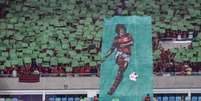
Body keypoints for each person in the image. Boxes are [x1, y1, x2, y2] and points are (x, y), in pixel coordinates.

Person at [103, 24, 134, 95]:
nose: (122, 31)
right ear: (118, 31)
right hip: (120, 54)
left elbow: (132, 42)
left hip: (127, 55)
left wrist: (124, 45)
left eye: (123, 30)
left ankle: (114, 87)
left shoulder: (128, 35)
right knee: (121, 70)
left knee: (121, 72)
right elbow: (112, 49)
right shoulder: (116, 39)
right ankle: (112, 89)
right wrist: (105, 57)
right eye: (120, 30)